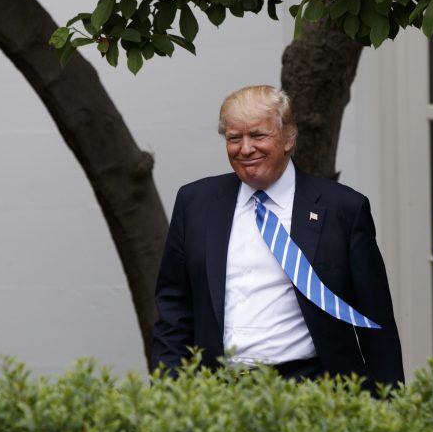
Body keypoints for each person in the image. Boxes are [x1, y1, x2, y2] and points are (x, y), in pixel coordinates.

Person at [151, 85, 404, 389]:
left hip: (310, 389)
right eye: (234, 138)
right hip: (217, 394)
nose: (245, 149)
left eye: (258, 135)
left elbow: (374, 320)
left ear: (288, 138)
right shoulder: (196, 203)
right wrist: (168, 392)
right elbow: (173, 310)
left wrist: (389, 406)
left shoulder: (342, 209)